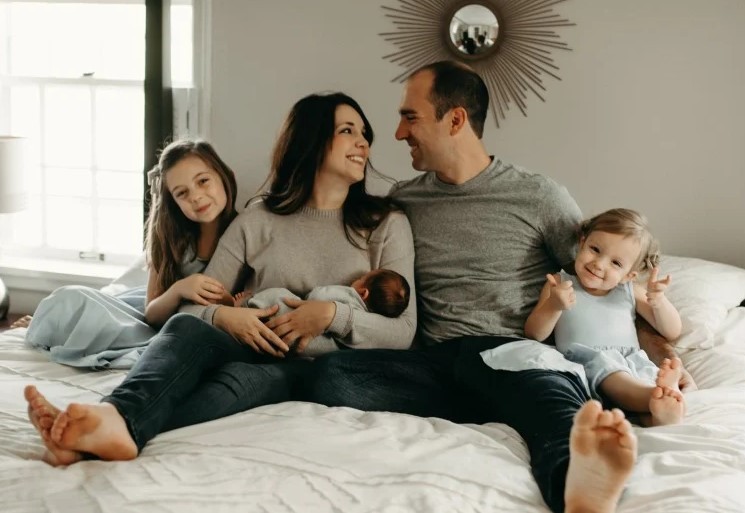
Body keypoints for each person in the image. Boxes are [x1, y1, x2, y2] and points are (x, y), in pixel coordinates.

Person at [308, 61, 695, 513]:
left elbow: (601, 286)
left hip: (513, 353)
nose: (398, 133)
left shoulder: (539, 197)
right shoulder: (406, 201)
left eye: (410, 117)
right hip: (439, 361)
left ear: (455, 120)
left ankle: (579, 488)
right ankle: (496, 407)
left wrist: (661, 354)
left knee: (554, 403)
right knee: (331, 376)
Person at [24, 92, 416, 465]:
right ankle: (112, 418)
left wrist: (332, 315)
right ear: (312, 140)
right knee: (184, 328)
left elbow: (404, 332)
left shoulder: (386, 224)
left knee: (240, 380)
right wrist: (224, 316)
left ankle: (97, 437)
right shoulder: (259, 220)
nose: (363, 142)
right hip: (253, 345)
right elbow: (191, 308)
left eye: (364, 133)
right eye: (348, 130)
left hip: (322, 368)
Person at [17, 139, 238, 369]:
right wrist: (180, 289)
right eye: (182, 193)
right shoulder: (171, 238)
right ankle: (47, 326)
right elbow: (151, 313)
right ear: (174, 201)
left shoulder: (244, 234)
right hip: (152, 317)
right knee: (70, 297)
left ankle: (58, 328)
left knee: (148, 340)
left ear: (223, 176)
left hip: (181, 327)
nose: (196, 196)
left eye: (203, 181)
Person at [522, 208, 685, 426]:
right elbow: (534, 333)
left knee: (647, 382)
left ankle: (662, 413)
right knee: (613, 372)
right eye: (595, 249)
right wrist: (553, 306)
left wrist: (659, 301)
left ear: (628, 275)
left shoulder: (629, 290)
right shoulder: (560, 284)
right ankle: (654, 396)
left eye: (616, 263)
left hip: (632, 362)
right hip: (587, 363)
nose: (599, 264)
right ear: (582, 242)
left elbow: (672, 331)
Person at [238, 268, 410, 356]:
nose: (356, 279)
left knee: (279, 297)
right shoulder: (367, 327)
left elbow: (317, 298)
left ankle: (244, 304)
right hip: (311, 351)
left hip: (291, 322)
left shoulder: (349, 296)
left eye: (361, 279)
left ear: (363, 293)